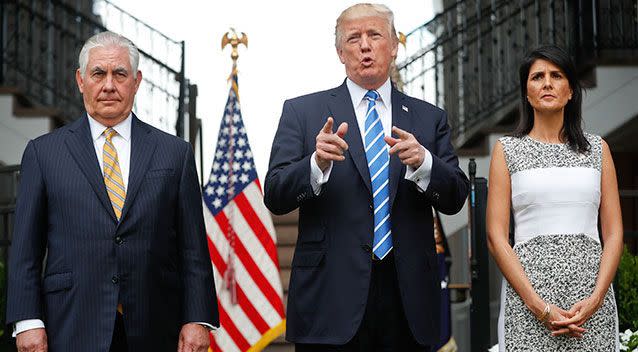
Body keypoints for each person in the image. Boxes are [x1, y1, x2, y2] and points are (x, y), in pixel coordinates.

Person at [264, 4, 469, 351]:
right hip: (329, 300)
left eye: (374, 35)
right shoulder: (302, 112)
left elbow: (455, 197)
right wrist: (315, 164)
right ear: (340, 52)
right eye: (353, 38)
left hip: (408, 303)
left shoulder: (428, 118)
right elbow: (275, 194)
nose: (364, 45)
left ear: (394, 46)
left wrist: (425, 163)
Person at [6, 31, 219, 352]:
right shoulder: (43, 153)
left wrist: (198, 319)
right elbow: (25, 249)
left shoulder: (175, 153)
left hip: (156, 324)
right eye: (98, 74)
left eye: (120, 73)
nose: (109, 85)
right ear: (80, 80)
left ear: (136, 81)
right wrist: (27, 321)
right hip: (71, 324)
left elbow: (193, 249)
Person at [486, 45, 623, 351]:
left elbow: (613, 234)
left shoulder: (598, 150)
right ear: (526, 91)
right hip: (528, 302)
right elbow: (496, 237)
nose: (547, 83)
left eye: (556, 75)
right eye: (537, 77)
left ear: (571, 90)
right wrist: (538, 306)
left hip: (590, 304)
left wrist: (597, 298)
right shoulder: (506, 150)